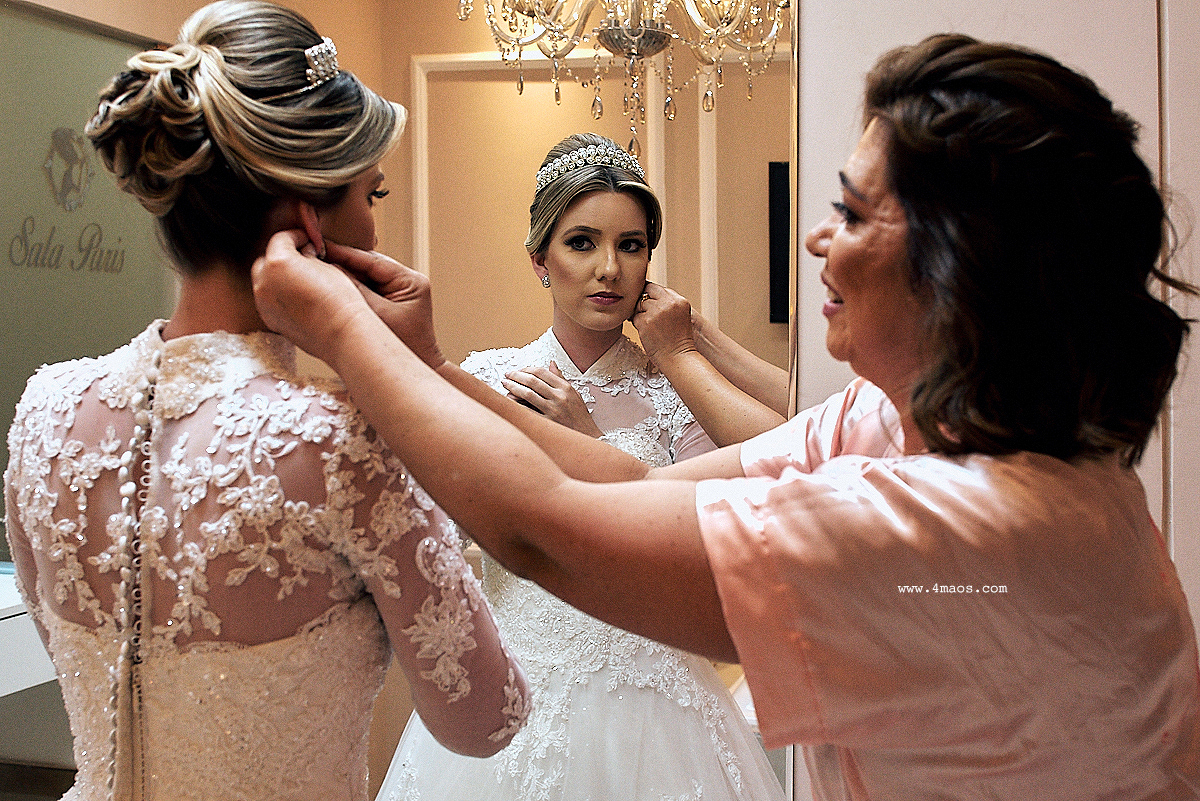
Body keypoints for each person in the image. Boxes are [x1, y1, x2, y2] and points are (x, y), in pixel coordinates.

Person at [253, 33, 1200, 798]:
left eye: (856, 214)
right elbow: (630, 487)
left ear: (965, 268)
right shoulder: (883, 417)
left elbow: (554, 537)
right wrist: (429, 364)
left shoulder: (963, 542)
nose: (819, 237)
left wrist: (345, 333)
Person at [2, 3, 529, 799]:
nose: (376, 230)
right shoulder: (341, 441)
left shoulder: (44, 411)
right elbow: (486, 719)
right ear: (306, 221)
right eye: (372, 194)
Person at [377, 132, 785, 801]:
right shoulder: (487, 379)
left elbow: (702, 540)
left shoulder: (676, 387)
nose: (609, 269)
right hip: (518, 698)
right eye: (581, 242)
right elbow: (442, 549)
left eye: (630, 245)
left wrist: (589, 442)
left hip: (657, 701)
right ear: (540, 260)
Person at [632, 281, 790, 445]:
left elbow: (784, 449)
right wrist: (693, 333)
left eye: (630, 252)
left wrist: (682, 347)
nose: (611, 269)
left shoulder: (678, 398)